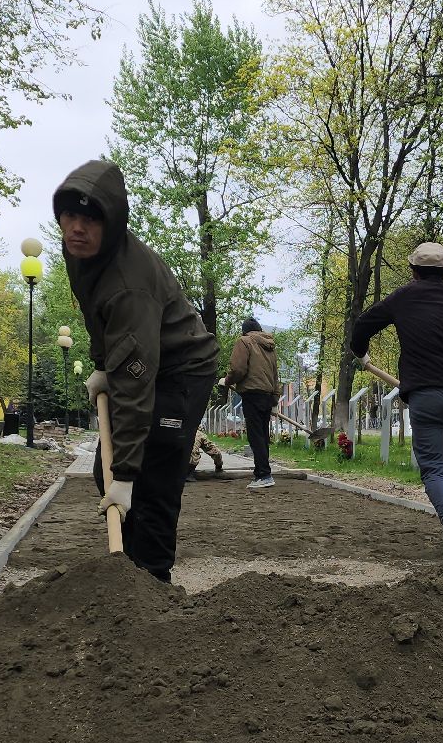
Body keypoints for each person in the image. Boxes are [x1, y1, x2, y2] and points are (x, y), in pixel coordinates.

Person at [56, 159, 220, 583]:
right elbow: (98, 319)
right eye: (70, 215)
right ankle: (131, 573)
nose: (77, 227)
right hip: (145, 356)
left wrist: (127, 476)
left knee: (153, 478)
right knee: (104, 471)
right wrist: (102, 366)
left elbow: (136, 383)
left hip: (183, 369)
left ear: (111, 224)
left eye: (90, 219)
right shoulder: (80, 252)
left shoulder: (130, 284)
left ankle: (154, 585)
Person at [347, 241, 443, 576]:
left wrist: (361, 353)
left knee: (434, 469)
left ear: (414, 270)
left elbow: (362, 325)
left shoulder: (404, 297)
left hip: (427, 397)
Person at [225, 316, 280, 488]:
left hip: (252, 392)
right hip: (267, 394)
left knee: (255, 435)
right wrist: (275, 398)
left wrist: (227, 381)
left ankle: (263, 475)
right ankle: (262, 473)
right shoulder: (269, 346)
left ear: (245, 330)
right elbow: (275, 374)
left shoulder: (244, 341)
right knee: (262, 435)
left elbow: (238, 368)